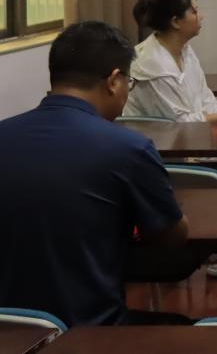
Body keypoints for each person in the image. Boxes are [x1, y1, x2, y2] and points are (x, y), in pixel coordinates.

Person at [0, 21, 190, 326]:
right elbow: (172, 237)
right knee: (185, 330)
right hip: (92, 332)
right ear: (114, 81)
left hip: (11, 333)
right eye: (129, 82)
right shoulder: (129, 149)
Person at [124, 0, 217, 122]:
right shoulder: (151, 63)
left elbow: (205, 96)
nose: (201, 16)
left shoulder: (185, 50)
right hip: (154, 135)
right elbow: (177, 123)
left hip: (192, 132)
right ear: (175, 22)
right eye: (194, 12)